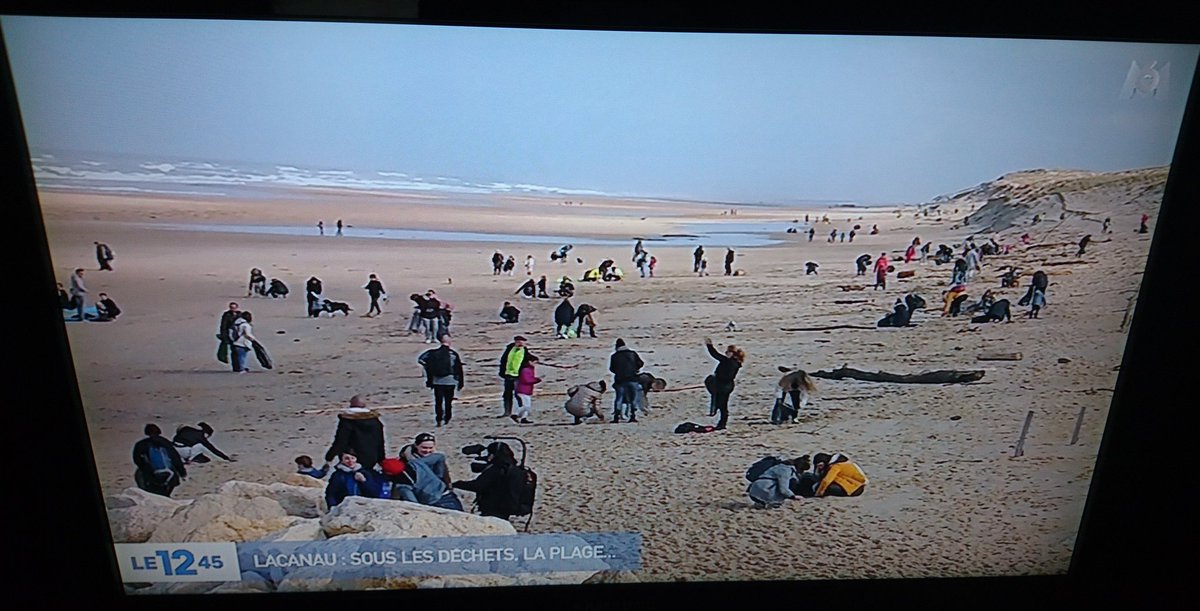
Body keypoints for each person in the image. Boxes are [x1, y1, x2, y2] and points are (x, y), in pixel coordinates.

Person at [451, 441, 520, 520]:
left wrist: (457, 484)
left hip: (493, 507)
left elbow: (478, 485)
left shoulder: (497, 469)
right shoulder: (512, 469)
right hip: (504, 507)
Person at [395, 432, 463, 510]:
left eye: (431, 448)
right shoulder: (406, 462)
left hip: (440, 495)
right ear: (416, 446)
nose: (427, 451)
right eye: (424, 448)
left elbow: (444, 477)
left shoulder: (436, 459)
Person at [324, 395, 386, 472]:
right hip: (371, 457)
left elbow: (341, 441)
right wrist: (381, 459)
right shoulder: (375, 422)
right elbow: (380, 441)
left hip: (352, 458)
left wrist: (330, 456)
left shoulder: (347, 421)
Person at [418, 334, 464, 427]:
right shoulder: (453, 354)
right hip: (450, 380)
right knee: (448, 401)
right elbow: (458, 369)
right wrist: (460, 382)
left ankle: (439, 419)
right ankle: (447, 418)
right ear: (449, 342)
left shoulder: (432, 353)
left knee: (438, 401)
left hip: (437, 380)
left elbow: (421, 359)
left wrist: (428, 368)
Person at [133, 423, 186, 497]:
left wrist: (145, 468)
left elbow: (137, 460)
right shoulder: (165, 442)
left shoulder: (140, 444)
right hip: (169, 474)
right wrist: (182, 472)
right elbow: (175, 458)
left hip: (150, 474)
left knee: (139, 473)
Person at [703, 338, 743, 430]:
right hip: (726, 385)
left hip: (723, 385)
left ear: (733, 353)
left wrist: (709, 345)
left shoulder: (729, 362)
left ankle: (722, 423)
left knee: (723, 405)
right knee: (722, 404)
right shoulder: (735, 362)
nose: (726, 353)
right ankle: (720, 420)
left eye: (728, 352)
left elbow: (715, 355)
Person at [609, 338, 645, 423]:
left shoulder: (614, 356)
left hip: (620, 380)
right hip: (633, 378)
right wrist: (635, 369)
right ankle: (633, 415)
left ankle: (616, 416)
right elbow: (641, 363)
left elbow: (612, 368)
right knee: (634, 397)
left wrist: (618, 372)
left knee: (619, 398)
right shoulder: (632, 354)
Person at [497, 336, 529, 419]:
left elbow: (528, 362)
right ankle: (507, 412)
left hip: (518, 376)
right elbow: (504, 360)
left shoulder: (524, 351)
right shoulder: (510, 349)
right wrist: (502, 371)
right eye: (519, 341)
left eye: (522, 341)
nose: (520, 343)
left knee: (518, 395)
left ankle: (521, 412)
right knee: (507, 394)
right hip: (508, 374)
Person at [513, 355, 542, 424]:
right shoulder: (525, 370)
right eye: (534, 362)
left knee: (527, 404)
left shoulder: (530, 369)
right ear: (530, 362)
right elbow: (526, 380)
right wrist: (536, 380)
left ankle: (524, 418)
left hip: (527, 390)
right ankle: (515, 414)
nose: (535, 364)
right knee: (526, 406)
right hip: (522, 390)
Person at [215, 302, 241, 369]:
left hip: (238, 335)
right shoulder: (226, 315)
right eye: (231, 308)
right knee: (234, 350)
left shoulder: (240, 314)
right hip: (230, 335)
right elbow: (223, 326)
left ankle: (239, 365)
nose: (233, 309)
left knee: (238, 351)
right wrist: (224, 336)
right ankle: (236, 366)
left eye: (234, 308)